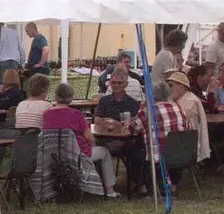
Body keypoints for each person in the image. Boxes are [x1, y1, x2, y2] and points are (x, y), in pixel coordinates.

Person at [40, 82, 120, 197]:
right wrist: (92, 146)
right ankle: (110, 189)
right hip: (77, 155)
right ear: (71, 98)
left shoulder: (46, 114)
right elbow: (89, 137)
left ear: (55, 96)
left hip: (54, 155)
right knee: (105, 152)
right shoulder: (76, 114)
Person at [95, 66, 148, 194]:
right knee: (94, 146)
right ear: (109, 83)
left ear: (126, 84)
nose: (116, 85)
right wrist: (105, 122)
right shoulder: (104, 101)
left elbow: (134, 125)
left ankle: (140, 185)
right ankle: (100, 185)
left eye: (120, 83)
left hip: (127, 141)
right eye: (113, 82)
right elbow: (96, 120)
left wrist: (116, 123)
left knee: (137, 150)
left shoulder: (133, 103)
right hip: (105, 139)